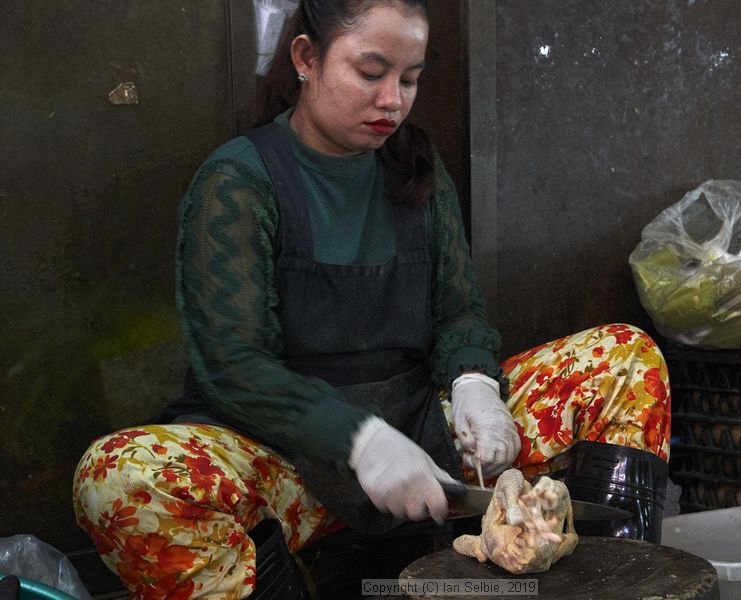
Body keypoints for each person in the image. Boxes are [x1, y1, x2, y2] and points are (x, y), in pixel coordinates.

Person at [72, 1, 671, 598]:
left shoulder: (413, 165)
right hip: (283, 463)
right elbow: (233, 366)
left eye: (409, 79)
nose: (393, 100)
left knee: (623, 360)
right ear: (307, 58)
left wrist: (474, 387)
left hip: (423, 446)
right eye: (370, 72)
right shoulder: (238, 182)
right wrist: (360, 439)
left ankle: (614, 581)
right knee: (117, 476)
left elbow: (459, 313)